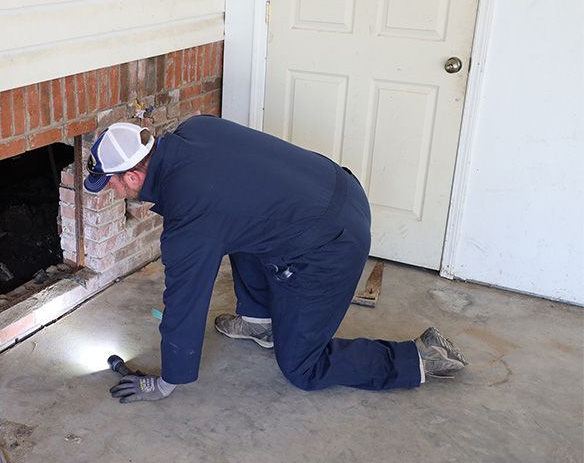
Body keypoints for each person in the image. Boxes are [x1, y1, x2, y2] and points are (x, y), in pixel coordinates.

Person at [84, 117, 468, 404]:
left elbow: (185, 302)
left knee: (303, 367)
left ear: (133, 176)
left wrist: (167, 380)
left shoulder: (191, 218)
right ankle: (259, 323)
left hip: (330, 243)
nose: (111, 192)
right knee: (240, 227)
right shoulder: (196, 129)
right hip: (337, 191)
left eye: (111, 183)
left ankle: (419, 357)